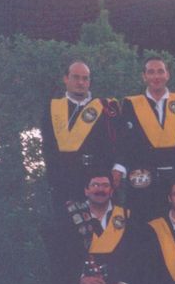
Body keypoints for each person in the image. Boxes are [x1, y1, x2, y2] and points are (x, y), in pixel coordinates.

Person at [113, 56, 175, 223]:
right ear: (144, 76)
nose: (156, 76)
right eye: (151, 72)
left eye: (160, 71)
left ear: (168, 74)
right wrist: (119, 167)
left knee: (173, 225)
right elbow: (123, 141)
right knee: (140, 224)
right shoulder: (130, 104)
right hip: (142, 177)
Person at [41, 60, 119, 215]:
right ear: (66, 78)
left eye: (85, 78)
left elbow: (118, 143)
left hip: (98, 181)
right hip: (64, 181)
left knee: (101, 226)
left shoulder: (105, 107)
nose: (81, 82)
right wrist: (54, 180)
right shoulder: (52, 108)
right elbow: (48, 147)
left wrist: (116, 171)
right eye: (76, 77)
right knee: (66, 225)